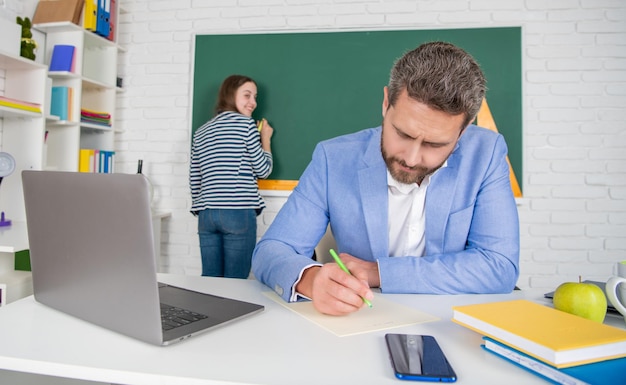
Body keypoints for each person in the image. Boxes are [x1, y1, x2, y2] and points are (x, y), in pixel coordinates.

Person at [251, 42, 520, 315]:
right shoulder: (333, 158)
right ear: (385, 103)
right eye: (402, 134)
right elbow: (271, 250)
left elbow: (499, 266)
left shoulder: (486, 153)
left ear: (462, 133)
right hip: (360, 321)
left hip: (451, 323)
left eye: (435, 145)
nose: (412, 158)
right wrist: (310, 280)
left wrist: (378, 272)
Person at [190, 74, 274, 278]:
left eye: (255, 97)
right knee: (236, 282)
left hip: (206, 214)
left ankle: (208, 312)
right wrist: (266, 139)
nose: (253, 102)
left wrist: (204, 206)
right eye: (247, 95)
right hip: (237, 212)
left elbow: (195, 179)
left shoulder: (201, 132)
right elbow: (263, 170)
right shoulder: (246, 126)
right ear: (230, 95)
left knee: (210, 280)